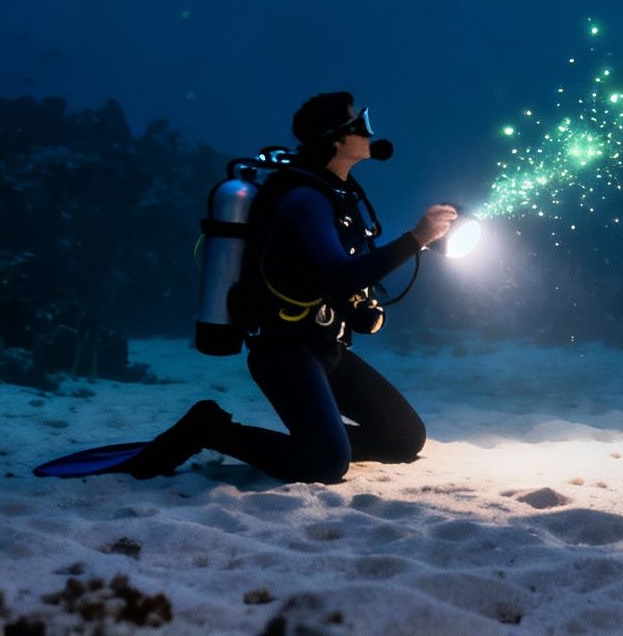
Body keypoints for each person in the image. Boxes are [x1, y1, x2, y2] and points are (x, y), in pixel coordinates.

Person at [114, 92, 455, 483]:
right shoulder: (304, 197)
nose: (368, 132)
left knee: (404, 439)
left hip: (326, 346)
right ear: (336, 139)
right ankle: (211, 429)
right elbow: (340, 274)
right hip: (285, 351)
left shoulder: (340, 192)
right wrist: (415, 238)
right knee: (327, 465)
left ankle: (319, 440)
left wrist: (367, 298)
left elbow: (345, 272)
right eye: (359, 124)